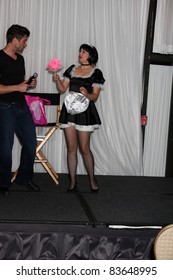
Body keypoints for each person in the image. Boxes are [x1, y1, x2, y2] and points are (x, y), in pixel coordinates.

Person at [53, 44, 105, 192]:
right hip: (69, 110)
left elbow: (94, 96)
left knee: (84, 148)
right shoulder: (72, 69)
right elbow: (62, 89)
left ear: (90, 55)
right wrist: (57, 80)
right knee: (71, 148)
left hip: (85, 111)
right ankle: (73, 181)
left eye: (84, 51)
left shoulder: (96, 73)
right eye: (80, 51)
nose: (80, 53)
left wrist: (86, 94)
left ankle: (92, 178)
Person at [0, 24, 39, 194]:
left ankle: (24, 178)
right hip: (4, 107)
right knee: (5, 147)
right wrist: (17, 87)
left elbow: (18, 84)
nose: (26, 44)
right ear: (15, 40)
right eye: (24, 40)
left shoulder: (20, 59)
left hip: (21, 106)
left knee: (31, 142)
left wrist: (27, 85)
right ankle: (3, 183)